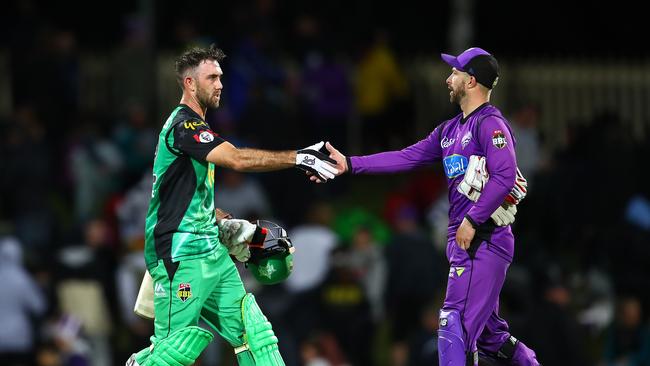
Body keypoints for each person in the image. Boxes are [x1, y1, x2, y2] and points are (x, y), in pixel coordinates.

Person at [323, 48, 540, 365]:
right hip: (463, 240)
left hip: (485, 239)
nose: (447, 79)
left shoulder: (490, 124)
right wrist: (351, 164)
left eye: (454, 73)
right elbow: (406, 157)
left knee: (453, 323)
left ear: (471, 80)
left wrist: (473, 220)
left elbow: (505, 175)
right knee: (492, 337)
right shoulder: (450, 130)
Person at [126, 44, 338, 366]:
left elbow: (185, 197)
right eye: (211, 77)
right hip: (180, 254)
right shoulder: (184, 126)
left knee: (257, 337)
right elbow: (237, 160)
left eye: (221, 77)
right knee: (172, 354)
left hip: (210, 249)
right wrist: (299, 157)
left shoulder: (198, 128)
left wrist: (221, 220)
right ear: (190, 84)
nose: (220, 84)